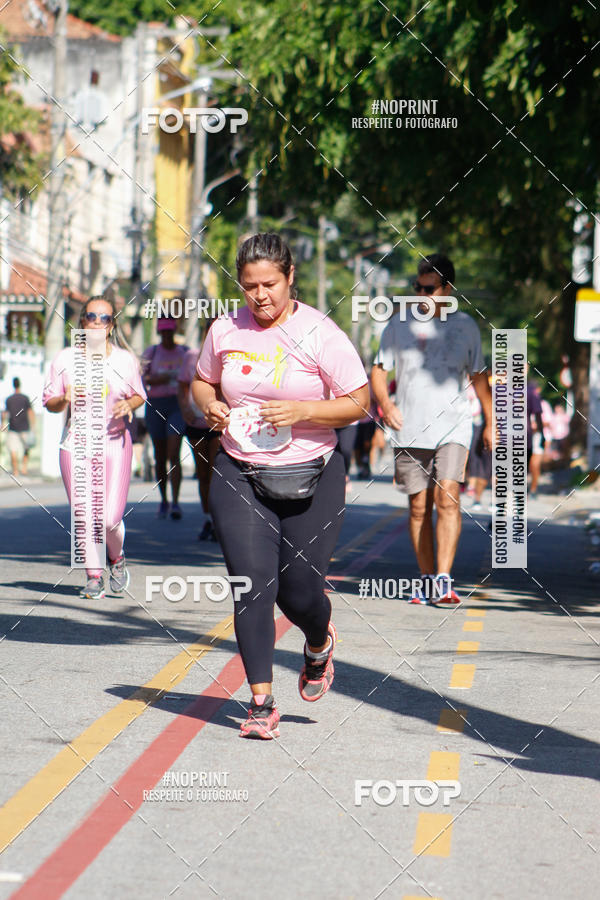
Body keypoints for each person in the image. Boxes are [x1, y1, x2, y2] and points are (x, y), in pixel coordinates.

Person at [192, 233, 369, 740]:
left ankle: (318, 641)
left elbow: (359, 403)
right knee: (251, 586)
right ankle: (261, 702)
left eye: (270, 284)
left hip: (312, 472)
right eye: (249, 287)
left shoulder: (320, 332)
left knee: (300, 592)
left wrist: (304, 411)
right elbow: (202, 380)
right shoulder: (225, 329)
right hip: (239, 470)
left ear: (291, 277)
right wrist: (209, 405)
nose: (260, 295)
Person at [371, 253, 492, 606]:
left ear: (448, 289)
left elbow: (479, 377)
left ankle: (443, 580)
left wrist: (491, 421)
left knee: (447, 498)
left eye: (429, 289)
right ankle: (425, 579)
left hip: (454, 426)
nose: (421, 295)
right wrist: (386, 405)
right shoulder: (398, 325)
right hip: (408, 426)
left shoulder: (466, 326)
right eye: (417, 288)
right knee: (419, 508)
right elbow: (380, 371)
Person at [43, 296, 146, 600]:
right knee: (84, 514)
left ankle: (116, 557)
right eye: (92, 317)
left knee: (110, 518)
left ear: (112, 325)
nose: (98, 323)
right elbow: (50, 403)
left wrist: (129, 402)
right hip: (75, 445)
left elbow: (139, 394)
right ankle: (93, 575)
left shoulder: (125, 360)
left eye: (105, 318)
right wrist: (64, 399)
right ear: (82, 322)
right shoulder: (64, 360)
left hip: (114, 443)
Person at [141, 316, 188, 519]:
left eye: (170, 332)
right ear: (160, 333)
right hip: (155, 405)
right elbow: (141, 378)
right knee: (160, 456)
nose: (167, 336)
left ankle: (176, 502)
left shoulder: (184, 353)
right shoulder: (151, 353)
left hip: (176, 405)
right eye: (164, 333)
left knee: (173, 452)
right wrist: (159, 378)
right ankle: (164, 499)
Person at [177, 343, 220, 540]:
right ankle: (208, 518)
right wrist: (185, 408)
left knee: (217, 473)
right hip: (196, 421)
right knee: (203, 473)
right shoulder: (191, 356)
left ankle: (222, 521)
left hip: (220, 424)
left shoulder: (229, 350)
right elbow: (182, 385)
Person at [465, 377, 492, 511]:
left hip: (501, 434)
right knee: (480, 464)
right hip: (479, 429)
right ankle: (477, 498)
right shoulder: (477, 390)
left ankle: (496, 501)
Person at [3, 377, 35, 477]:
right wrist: (33, 426)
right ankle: (24, 468)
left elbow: (4, 413)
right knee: (26, 448)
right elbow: (30, 412)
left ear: (13, 385)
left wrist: (3, 424)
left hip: (13, 427)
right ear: (20, 384)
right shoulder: (25, 398)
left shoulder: (9, 399)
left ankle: (16, 471)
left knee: (13, 450)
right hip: (25, 427)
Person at [527, 377, 545, 498]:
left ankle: (533, 489)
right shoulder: (532, 396)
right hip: (527, 436)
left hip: (536, 437)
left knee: (534, 465)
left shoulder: (545, 405)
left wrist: (541, 433)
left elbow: (543, 419)